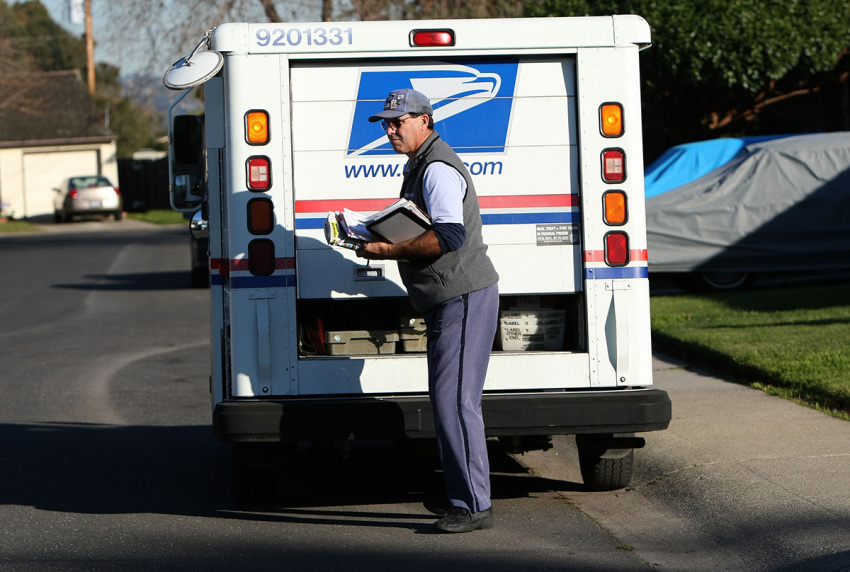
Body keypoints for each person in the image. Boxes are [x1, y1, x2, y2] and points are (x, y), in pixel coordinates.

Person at [359, 89, 500, 533]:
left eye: (397, 122)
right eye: (386, 123)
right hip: (452, 297)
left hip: (462, 294)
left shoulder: (437, 167)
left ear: (424, 120)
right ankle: (467, 498)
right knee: (452, 400)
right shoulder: (422, 163)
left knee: (454, 402)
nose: (389, 130)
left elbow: (450, 237)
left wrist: (389, 249)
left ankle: (473, 506)